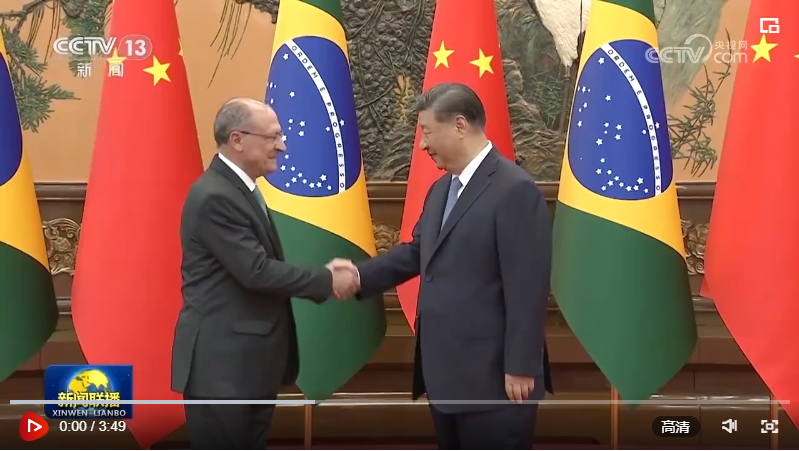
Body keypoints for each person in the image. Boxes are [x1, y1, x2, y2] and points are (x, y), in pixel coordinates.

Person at [331, 83, 553, 449]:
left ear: (460, 125)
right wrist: (358, 275)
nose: (422, 144)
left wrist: (521, 365)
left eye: (427, 131)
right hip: (446, 378)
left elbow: (527, 287)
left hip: (496, 381)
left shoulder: (515, 190)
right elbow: (419, 251)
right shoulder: (440, 190)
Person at [171, 98, 358, 449]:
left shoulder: (238, 190)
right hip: (223, 371)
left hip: (247, 369)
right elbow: (256, 271)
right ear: (237, 139)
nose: (282, 146)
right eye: (272, 137)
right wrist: (327, 279)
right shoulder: (215, 195)